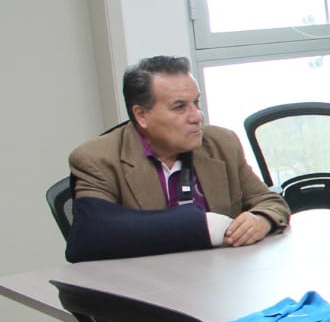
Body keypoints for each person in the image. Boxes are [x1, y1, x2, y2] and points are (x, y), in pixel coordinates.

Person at [67, 54, 290, 260]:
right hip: (148, 285)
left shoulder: (222, 143)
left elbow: (270, 202)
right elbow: (91, 235)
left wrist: (261, 219)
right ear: (141, 115)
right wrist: (202, 226)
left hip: (222, 278)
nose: (197, 116)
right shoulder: (96, 159)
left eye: (197, 102)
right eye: (180, 107)